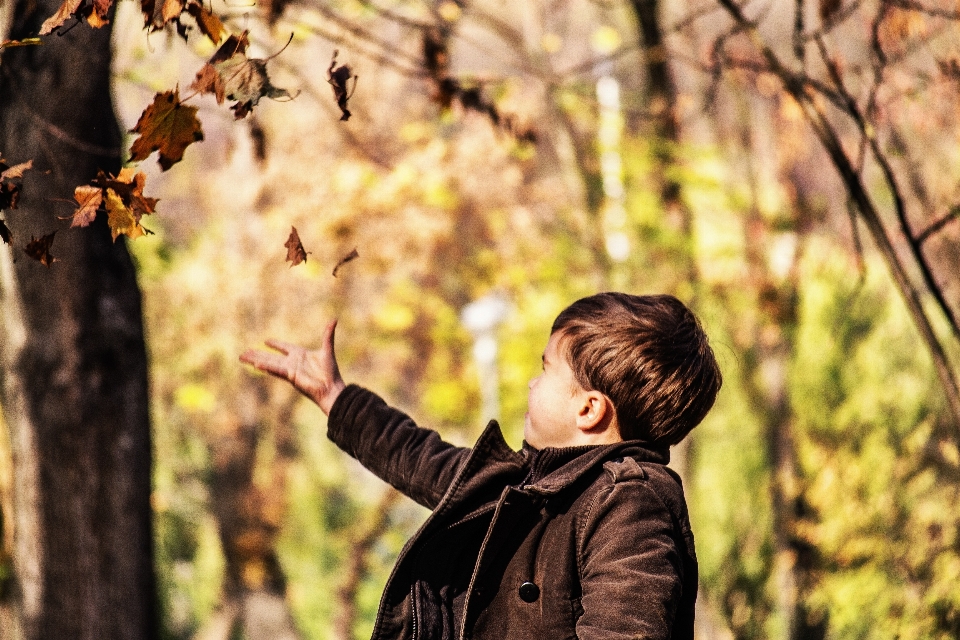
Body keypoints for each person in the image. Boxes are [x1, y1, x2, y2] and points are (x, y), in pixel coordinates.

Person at [240, 292, 722, 640]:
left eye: (546, 369)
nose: (532, 385)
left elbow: (627, 628)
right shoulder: (527, 484)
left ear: (589, 410)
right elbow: (420, 458)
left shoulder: (629, 501)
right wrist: (336, 398)